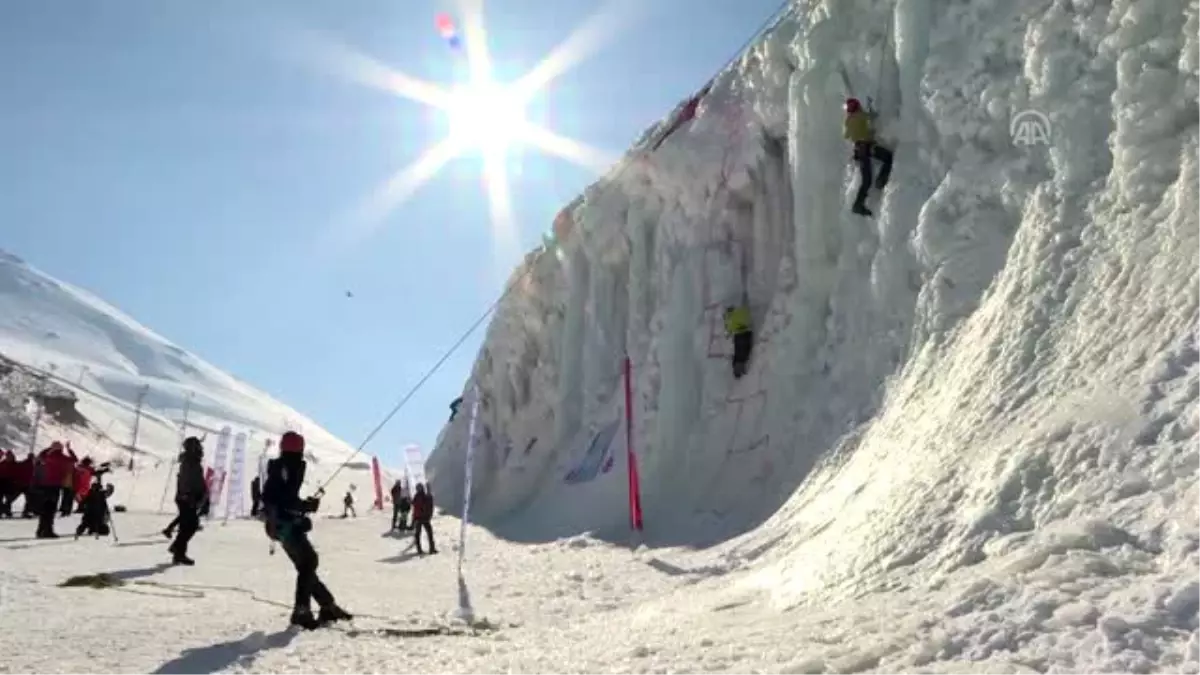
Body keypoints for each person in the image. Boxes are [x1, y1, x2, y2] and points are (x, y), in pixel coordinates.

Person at [262, 431, 352, 629]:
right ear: (299, 449)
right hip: (284, 525)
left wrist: (302, 507)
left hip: (278, 525)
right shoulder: (288, 467)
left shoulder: (283, 466)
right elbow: (284, 499)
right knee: (309, 562)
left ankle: (327, 606)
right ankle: (302, 611)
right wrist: (305, 507)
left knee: (306, 566)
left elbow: (279, 497)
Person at [843, 97, 893, 217]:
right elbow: (872, 117)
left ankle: (859, 203)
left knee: (867, 179)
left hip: (859, 150)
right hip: (867, 147)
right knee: (888, 157)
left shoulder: (848, 120)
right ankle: (881, 180)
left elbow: (846, 135)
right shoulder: (860, 115)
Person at [169, 437, 207, 565]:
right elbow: (186, 480)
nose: (201, 449)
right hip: (187, 498)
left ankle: (178, 551)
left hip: (189, 497)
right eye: (198, 446)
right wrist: (188, 496)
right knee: (191, 525)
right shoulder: (189, 462)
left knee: (187, 526)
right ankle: (178, 550)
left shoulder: (193, 461)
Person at [34, 442, 75, 538]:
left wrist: (49, 448)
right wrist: (69, 449)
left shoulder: (48, 457)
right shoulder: (63, 458)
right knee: (51, 509)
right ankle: (47, 531)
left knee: (45, 509)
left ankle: (40, 530)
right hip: (55, 486)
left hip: (46, 485)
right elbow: (74, 459)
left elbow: (40, 456)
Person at [723, 305, 754, 379]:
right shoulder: (740, 312)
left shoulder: (728, 317)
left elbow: (728, 330)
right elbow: (748, 318)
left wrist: (728, 333)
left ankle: (739, 370)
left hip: (739, 335)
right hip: (747, 333)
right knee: (745, 351)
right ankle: (742, 368)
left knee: (740, 353)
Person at [410, 483, 436, 555]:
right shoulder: (423, 496)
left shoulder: (418, 496)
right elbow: (427, 504)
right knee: (428, 533)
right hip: (423, 518)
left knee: (418, 534)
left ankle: (420, 550)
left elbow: (414, 504)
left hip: (419, 518)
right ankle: (431, 549)